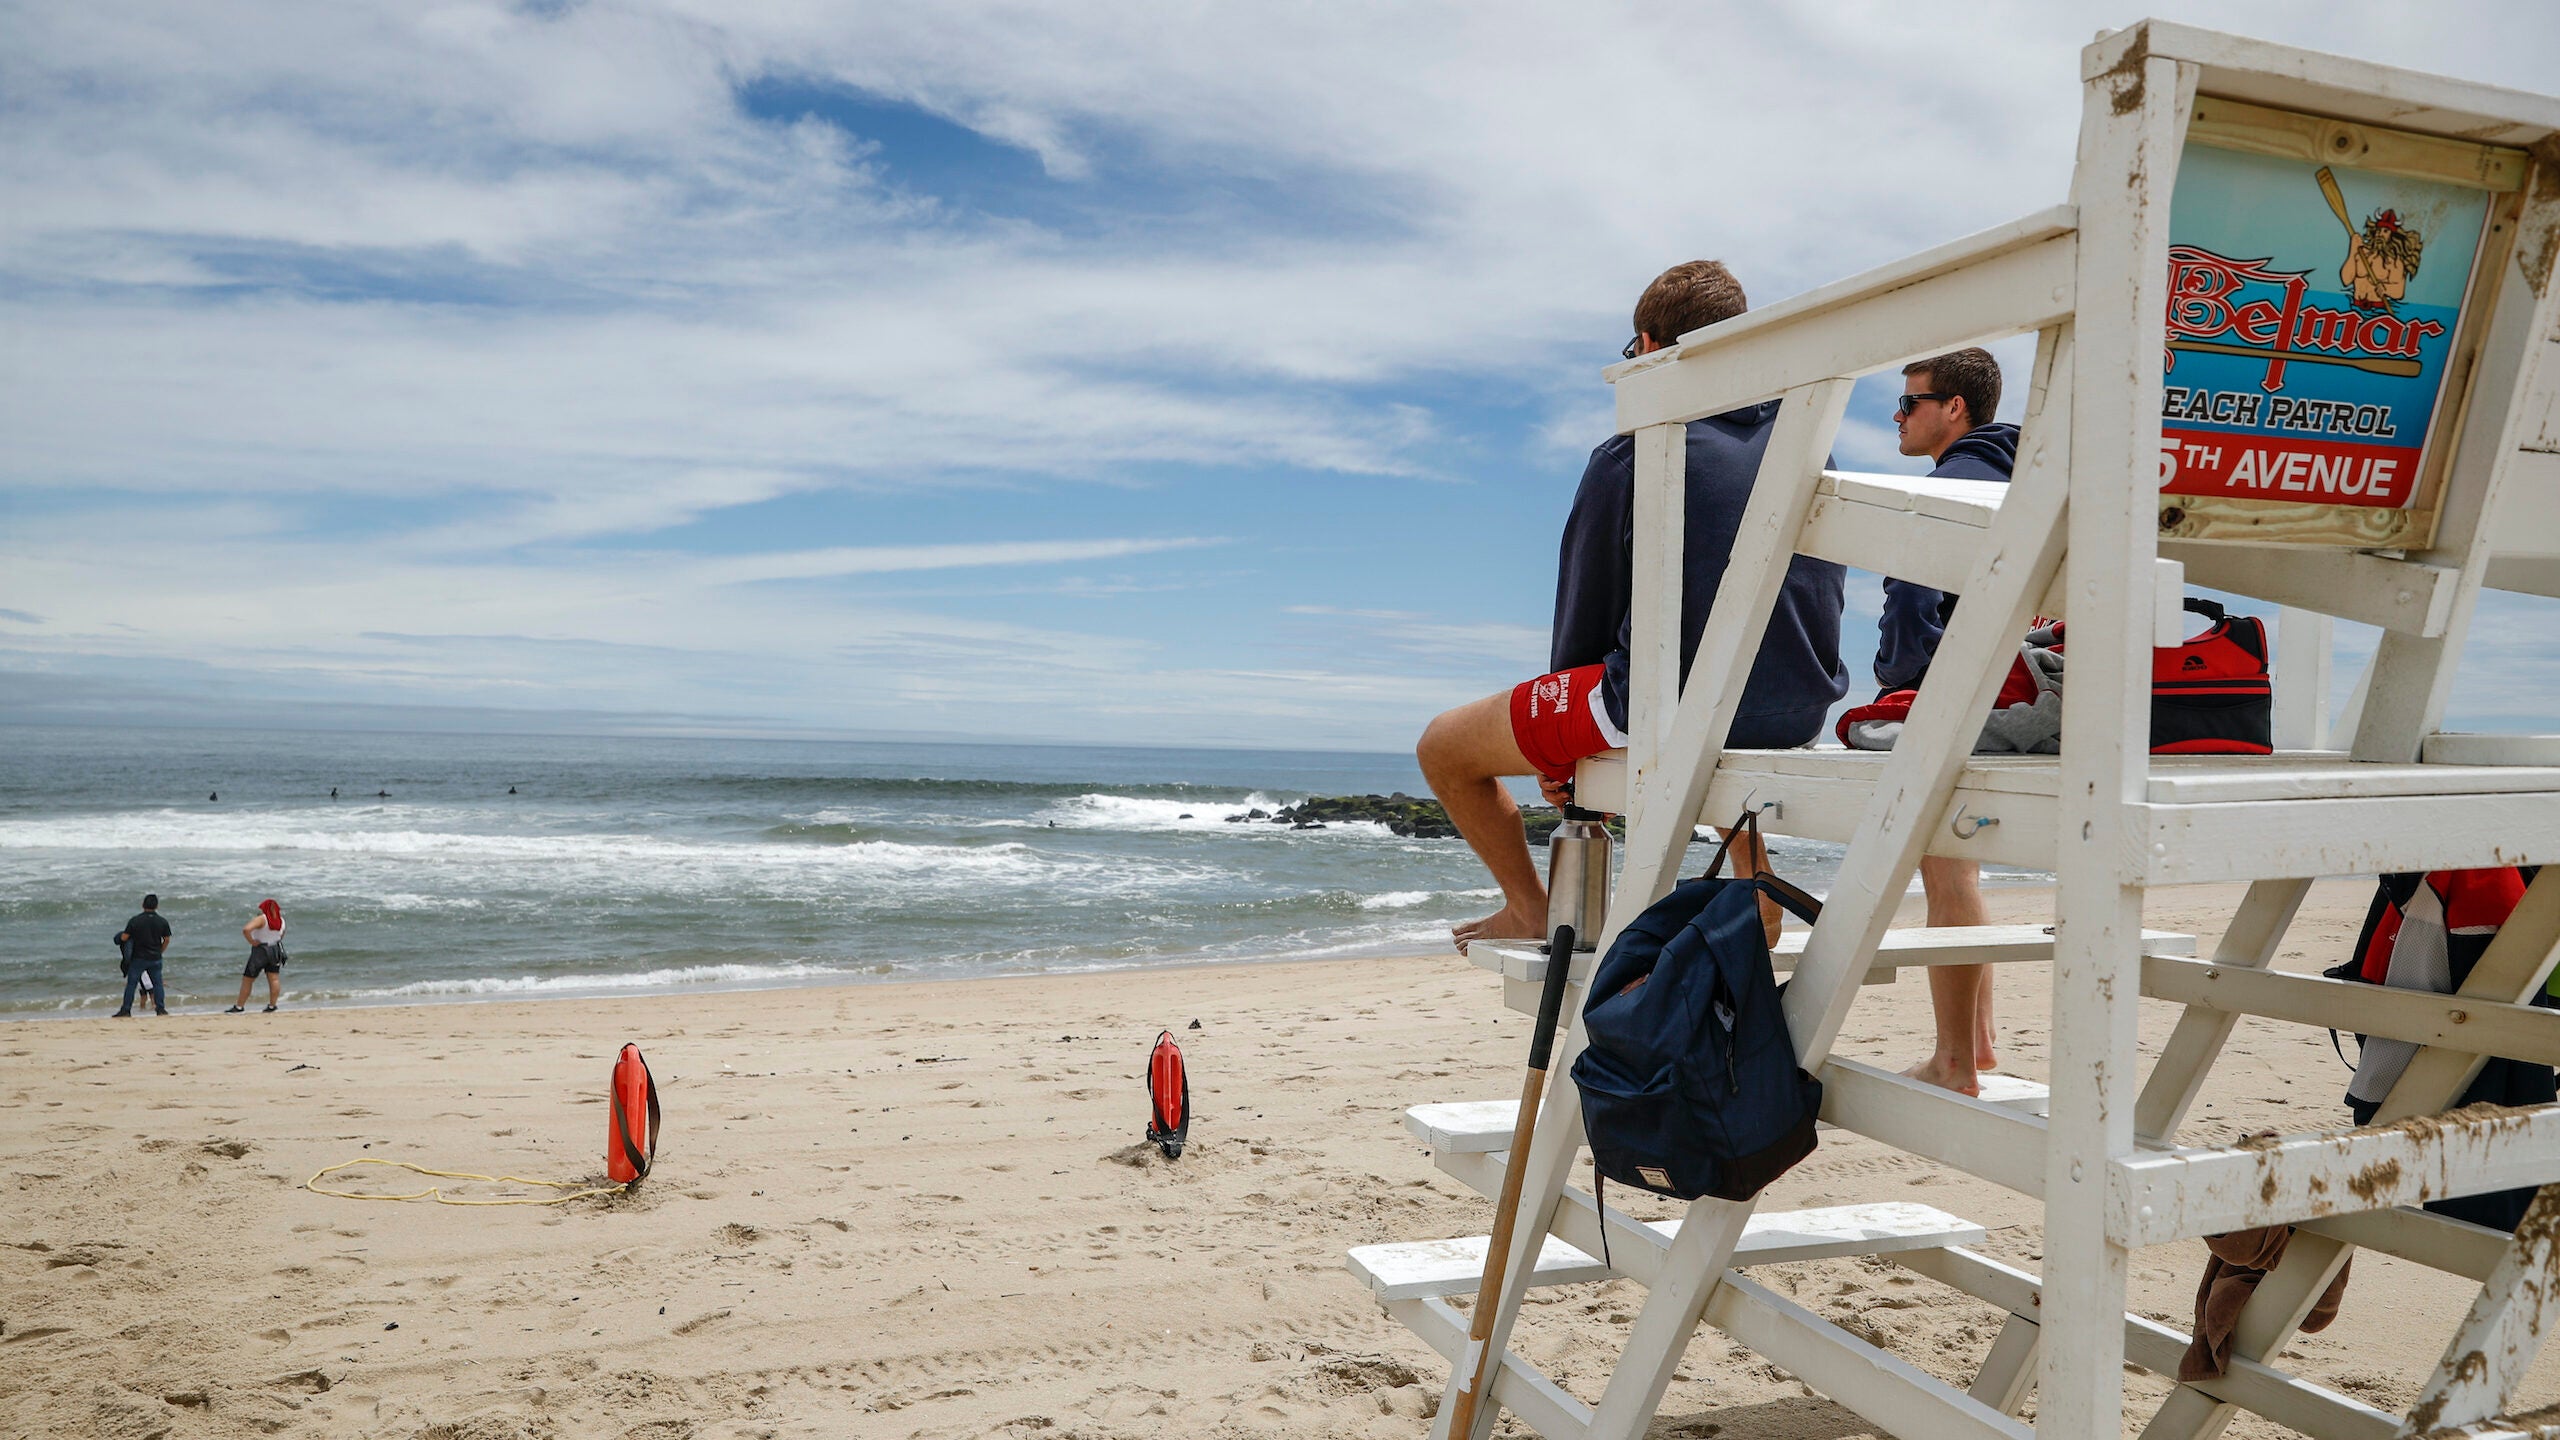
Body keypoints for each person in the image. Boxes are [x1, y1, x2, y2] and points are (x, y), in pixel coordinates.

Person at [1418, 260, 1849, 953]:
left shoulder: (1637, 451)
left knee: (1442, 745)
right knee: (1713, 685)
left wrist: (1560, 759)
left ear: (1650, 347)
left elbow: (1580, 619)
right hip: (1796, 706)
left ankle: (1526, 906)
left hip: (1673, 706)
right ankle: (1753, 879)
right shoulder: (1807, 451)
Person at [1879, 348, 2020, 1096]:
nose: (1898, 419)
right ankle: (1979, 1043)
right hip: (2018, 693)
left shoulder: (1958, 480)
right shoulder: (2019, 474)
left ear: (1955, 408)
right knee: (1958, 868)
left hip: (1962, 695)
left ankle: (1955, 1062)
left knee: (1945, 869)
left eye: (1909, 404)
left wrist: (1900, 675)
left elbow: (1909, 598)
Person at [113, 894, 172, 1018]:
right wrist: (160, 952)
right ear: (156, 906)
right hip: (155, 958)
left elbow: (124, 937)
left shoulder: (135, 920)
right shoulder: (162, 921)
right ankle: (160, 1009)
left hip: (138, 958)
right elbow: (166, 940)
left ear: (143, 905)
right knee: (157, 984)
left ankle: (126, 1010)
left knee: (131, 984)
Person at [228, 898, 287, 1013]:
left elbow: (246, 929)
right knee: (274, 978)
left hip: (261, 950)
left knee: (248, 979)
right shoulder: (281, 920)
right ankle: (272, 1005)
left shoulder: (262, 919)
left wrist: (252, 941)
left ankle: (239, 1006)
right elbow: (281, 935)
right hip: (275, 949)